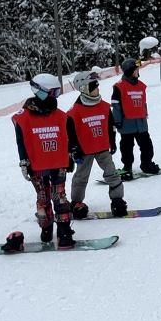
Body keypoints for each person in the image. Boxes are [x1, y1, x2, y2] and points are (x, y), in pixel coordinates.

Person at [12, 73, 76, 249]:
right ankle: (46, 227)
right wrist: (23, 162)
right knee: (43, 197)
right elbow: (21, 142)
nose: (55, 97)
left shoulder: (61, 116)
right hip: (36, 165)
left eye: (57, 93)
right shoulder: (23, 117)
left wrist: (70, 155)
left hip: (58, 163)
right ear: (39, 91)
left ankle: (63, 231)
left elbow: (68, 138)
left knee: (60, 197)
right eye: (52, 93)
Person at [67, 70, 128, 218]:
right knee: (81, 177)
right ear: (84, 89)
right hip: (84, 151)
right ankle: (76, 203)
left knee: (112, 174)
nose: (98, 89)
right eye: (94, 86)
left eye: (97, 86)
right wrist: (73, 150)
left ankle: (117, 200)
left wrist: (112, 142)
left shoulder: (105, 106)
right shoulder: (74, 112)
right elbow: (70, 134)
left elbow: (109, 126)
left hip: (102, 148)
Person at [111, 58, 160, 181]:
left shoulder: (141, 86)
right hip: (126, 124)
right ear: (130, 71)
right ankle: (127, 167)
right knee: (127, 147)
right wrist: (117, 121)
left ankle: (146, 164)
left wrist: (145, 114)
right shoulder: (119, 87)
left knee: (147, 146)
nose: (138, 71)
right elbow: (116, 106)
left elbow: (143, 103)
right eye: (136, 69)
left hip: (141, 123)